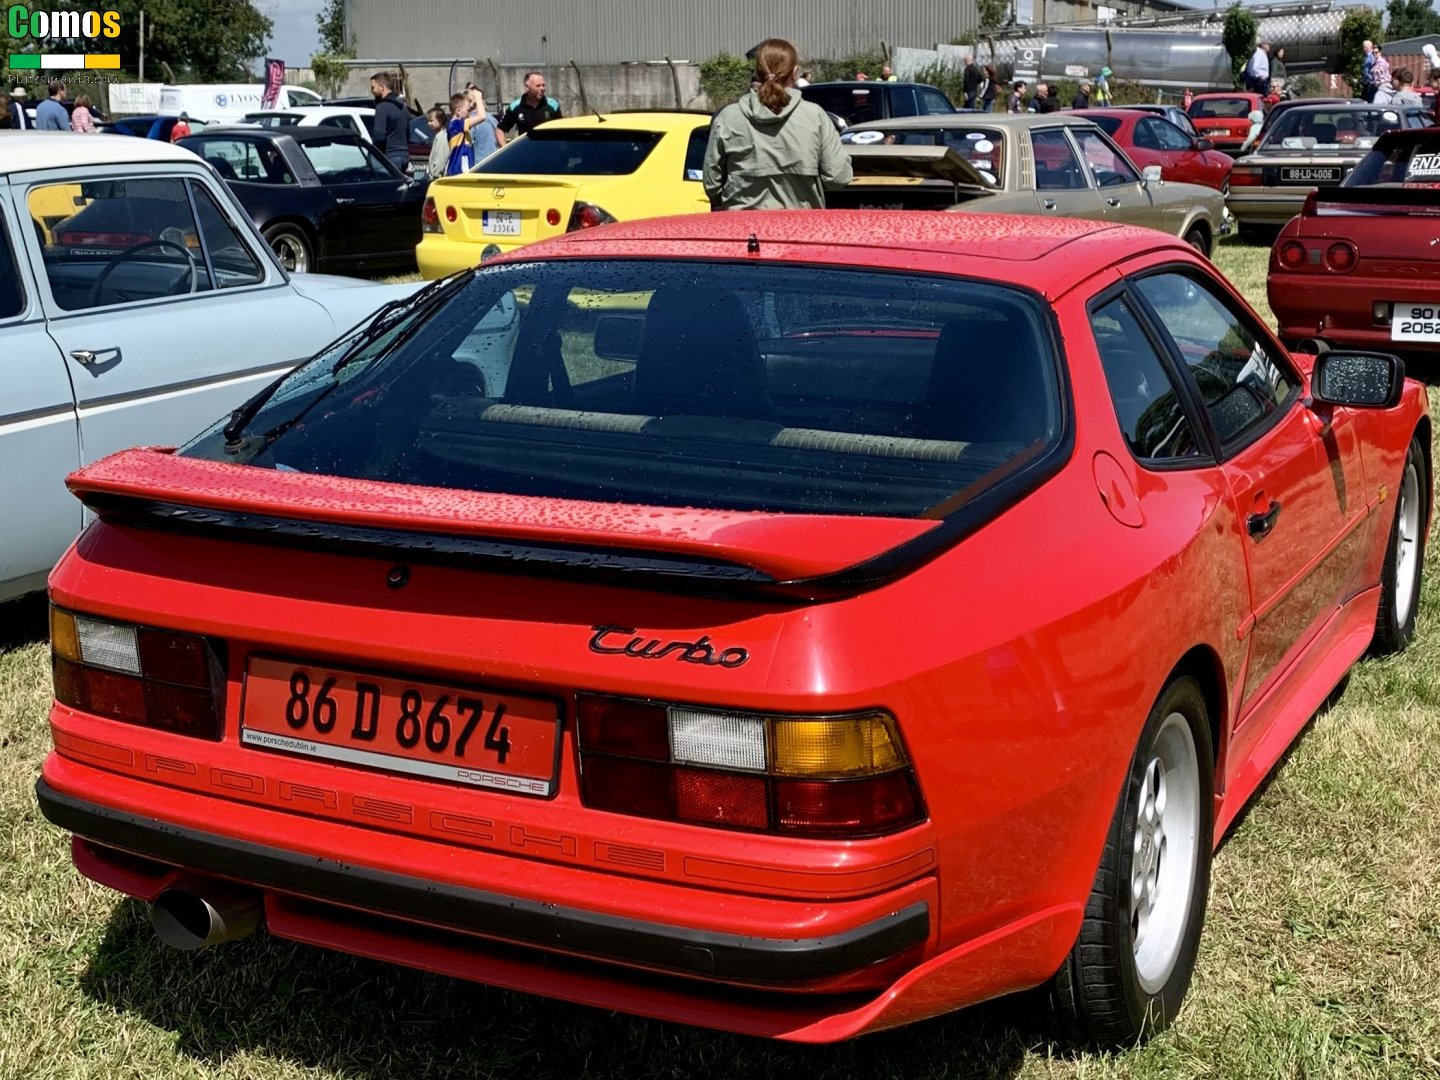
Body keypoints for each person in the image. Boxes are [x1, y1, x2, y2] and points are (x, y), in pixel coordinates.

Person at [702, 37, 852, 210]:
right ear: (795, 72)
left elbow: (711, 185)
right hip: (800, 231)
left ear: (757, 72)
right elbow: (838, 177)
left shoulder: (728, 118)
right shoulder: (815, 116)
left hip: (742, 230)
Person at [498, 71, 562, 138]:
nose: (542, 88)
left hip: (548, 147)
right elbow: (500, 130)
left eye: (543, 85)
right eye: (538, 86)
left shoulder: (553, 105)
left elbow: (562, 130)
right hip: (526, 148)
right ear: (527, 88)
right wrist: (505, 146)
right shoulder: (516, 106)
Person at [369, 71, 411, 173]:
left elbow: (379, 137)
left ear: (382, 87)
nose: (372, 91)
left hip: (390, 157)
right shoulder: (403, 107)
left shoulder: (382, 107)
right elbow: (408, 134)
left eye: (373, 88)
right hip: (405, 156)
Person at [425, 106, 451, 178]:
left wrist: (435, 175)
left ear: (440, 120)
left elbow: (441, 160)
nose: (428, 123)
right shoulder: (439, 136)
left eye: (431, 121)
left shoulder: (442, 137)